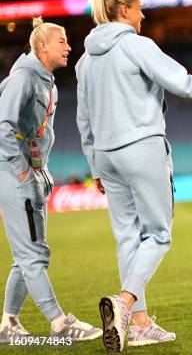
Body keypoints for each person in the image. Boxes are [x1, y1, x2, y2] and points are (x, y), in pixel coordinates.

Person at [76, 0, 192, 351]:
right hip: (142, 148)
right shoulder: (137, 46)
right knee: (158, 235)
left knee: (127, 236)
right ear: (124, 10)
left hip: (107, 155)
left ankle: (141, 324)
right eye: (139, 8)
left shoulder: (84, 60)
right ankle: (125, 304)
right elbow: (186, 84)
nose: (143, 15)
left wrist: (95, 165)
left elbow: (84, 118)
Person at [0, 17, 102, 342]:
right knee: (33, 255)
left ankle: (8, 323)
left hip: (31, 174)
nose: (69, 46)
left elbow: (36, 135)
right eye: (63, 41)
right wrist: (21, 170)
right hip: (13, 174)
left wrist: (40, 171)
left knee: (30, 254)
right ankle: (60, 323)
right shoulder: (24, 79)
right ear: (42, 45)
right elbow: (3, 127)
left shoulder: (47, 82)